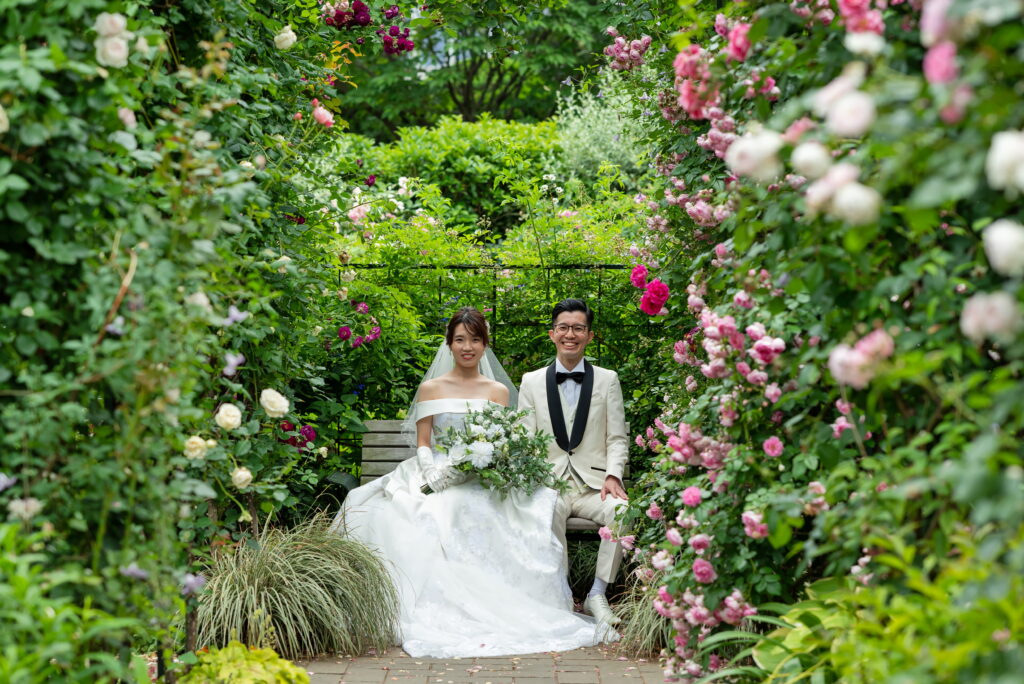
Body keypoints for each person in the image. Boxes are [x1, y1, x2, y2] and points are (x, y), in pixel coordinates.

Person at [332, 307, 615, 658]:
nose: (468, 347)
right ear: (449, 344)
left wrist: (480, 465)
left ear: (485, 345)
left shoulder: (497, 391)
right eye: (460, 340)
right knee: (425, 511)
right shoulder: (430, 388)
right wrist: (431, 469)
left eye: (475, 340)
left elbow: (503, 442)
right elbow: (424, 441)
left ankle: (505, 602)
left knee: (501, 511)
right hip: (434, 471)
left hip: (482, 474)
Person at [518, 299, 629, 627]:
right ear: (552, 334)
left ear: (589, 336)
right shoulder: (531, 381)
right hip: (550, 484)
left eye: (578, 328)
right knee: (545, 512)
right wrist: (535, 481)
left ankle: (597, 593)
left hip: (595, 487)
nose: (571, 334)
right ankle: (562, 595)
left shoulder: (608, 380)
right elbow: (525, 439)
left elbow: (617, 438)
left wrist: (613, 475)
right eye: (564, 328)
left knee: (622, 512)